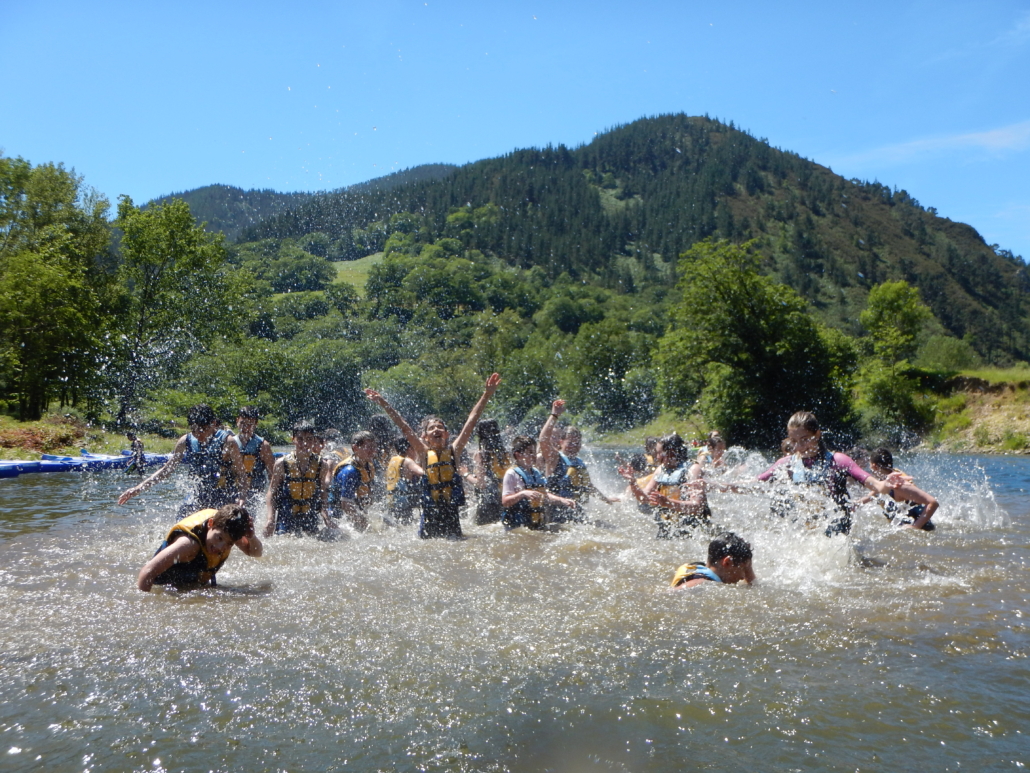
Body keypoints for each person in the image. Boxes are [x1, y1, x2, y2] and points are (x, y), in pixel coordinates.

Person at [365, 373, 501, 539]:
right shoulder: (422, 453)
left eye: (440, 428)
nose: (436, 430)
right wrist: (384, 403)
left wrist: (486, 394)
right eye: (431, 428)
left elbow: (471, 421)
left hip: (451, 513)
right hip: (429, 514)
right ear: (425, 437)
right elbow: (403, 426)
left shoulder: (454, 451)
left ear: (446, 434)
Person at [757, 411, 908, 536]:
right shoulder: (787, 463)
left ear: (817, 435)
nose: (799, 446)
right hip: (806, 529)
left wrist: (886, 484)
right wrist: (732, 486)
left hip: (837, 529)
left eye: (804, 439)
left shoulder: (838, 461)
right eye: (794, 441)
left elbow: (876, 485)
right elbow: (755, 484)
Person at [117, 404, 249, 517]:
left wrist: (242, 499)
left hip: (224, 497)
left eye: (203, 430)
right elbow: (166, 471)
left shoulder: (228, 442)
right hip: (198, 495)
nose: (198, 435)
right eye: (194, 431)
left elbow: (241, 474)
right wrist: (137, 488)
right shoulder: (185, 441)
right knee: (180, 525)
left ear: (213, 424)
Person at [137, 504, 262, 591]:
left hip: (193, 583)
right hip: (166, 585)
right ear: (210, 524)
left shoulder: (228, 530)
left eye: (229, 544)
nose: (220, 547)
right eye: (218, 538)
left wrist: (251, 537)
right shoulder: (188, 545)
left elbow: (255, 553)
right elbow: (148, 572)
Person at [539, 400, 619, 522]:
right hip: (555, 513)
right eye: (570, 443)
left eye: (577, 443)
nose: (574, 446)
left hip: (577, 512)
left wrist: (606, 499)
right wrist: (554, 415)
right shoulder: (554, 458)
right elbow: (543, 439)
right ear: (561, 442)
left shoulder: (579, 462)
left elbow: (588, 486)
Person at [620, 432, 711, 539]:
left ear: (671, 452)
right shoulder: (661, 470)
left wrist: (667, 502)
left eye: (659, 453)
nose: (657, 458)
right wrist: (633, 482)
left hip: (692, 529)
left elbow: (697, 507)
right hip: (667, 527)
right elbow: (643, 498)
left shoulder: (693, 469)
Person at [264, 420, 332, 537]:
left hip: (310, 514)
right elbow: (272, 491)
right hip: (286, 514)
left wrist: (326, 517)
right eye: (300, 439)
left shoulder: (322, 465)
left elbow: (323, 493)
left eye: (309, 439)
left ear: (314, 440)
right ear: (293, 439)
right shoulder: (282, 464)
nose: (305, 443)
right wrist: (270, 519)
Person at [501, 436, 577, 529]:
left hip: (536, 524)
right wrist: (522, 493)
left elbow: (544, 495)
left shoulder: (536, 472)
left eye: (534, 452)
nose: (534, 455)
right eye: (530, 452)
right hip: (517, 526)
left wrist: (562, 500)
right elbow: (505, 502)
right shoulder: (511, 474)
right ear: (518, 455)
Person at [862, 447, 938, 531]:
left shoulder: (899, 484)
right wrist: (856, 504)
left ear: (874, 466)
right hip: (904, 527)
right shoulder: (887, 479)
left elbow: (933, 502)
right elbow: (876, 492)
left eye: (870, 466)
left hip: (921, 528)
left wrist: (915, 527)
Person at [328, 430, 379, 531]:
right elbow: (346, 505)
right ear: (355, 448)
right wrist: (365, 525)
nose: (373, 451)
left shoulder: (369, 465)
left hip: (353, 513)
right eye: (368, 447)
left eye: (374, 447)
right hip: (338, 519)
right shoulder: (350, 471)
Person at [670, 532, 755, 588]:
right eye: (744, 569)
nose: (743, 577)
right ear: (727, 562)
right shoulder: (699, 584)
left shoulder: (699, 567)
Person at [234, 407, 276, 510]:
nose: (245, 427)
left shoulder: (263, 446)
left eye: (250, 424)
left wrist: (273, 496)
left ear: (256, 424)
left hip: (254, 493)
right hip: (234, 490)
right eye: (242, 423)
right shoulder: (231, 443)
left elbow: (272, 475)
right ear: (237, 421)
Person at [470, 419, 510, 525]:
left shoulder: (481, 455)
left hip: (488, 503)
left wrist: (465, 474)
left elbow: (481, 484)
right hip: (505, 499)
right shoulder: (505, 453)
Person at [384, 435, 419, 525]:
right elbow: (423, 473)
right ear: (409, 449)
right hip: (404, 505)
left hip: (391, 503)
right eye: (415, 449)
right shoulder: (408, 461)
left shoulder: (392, 460)